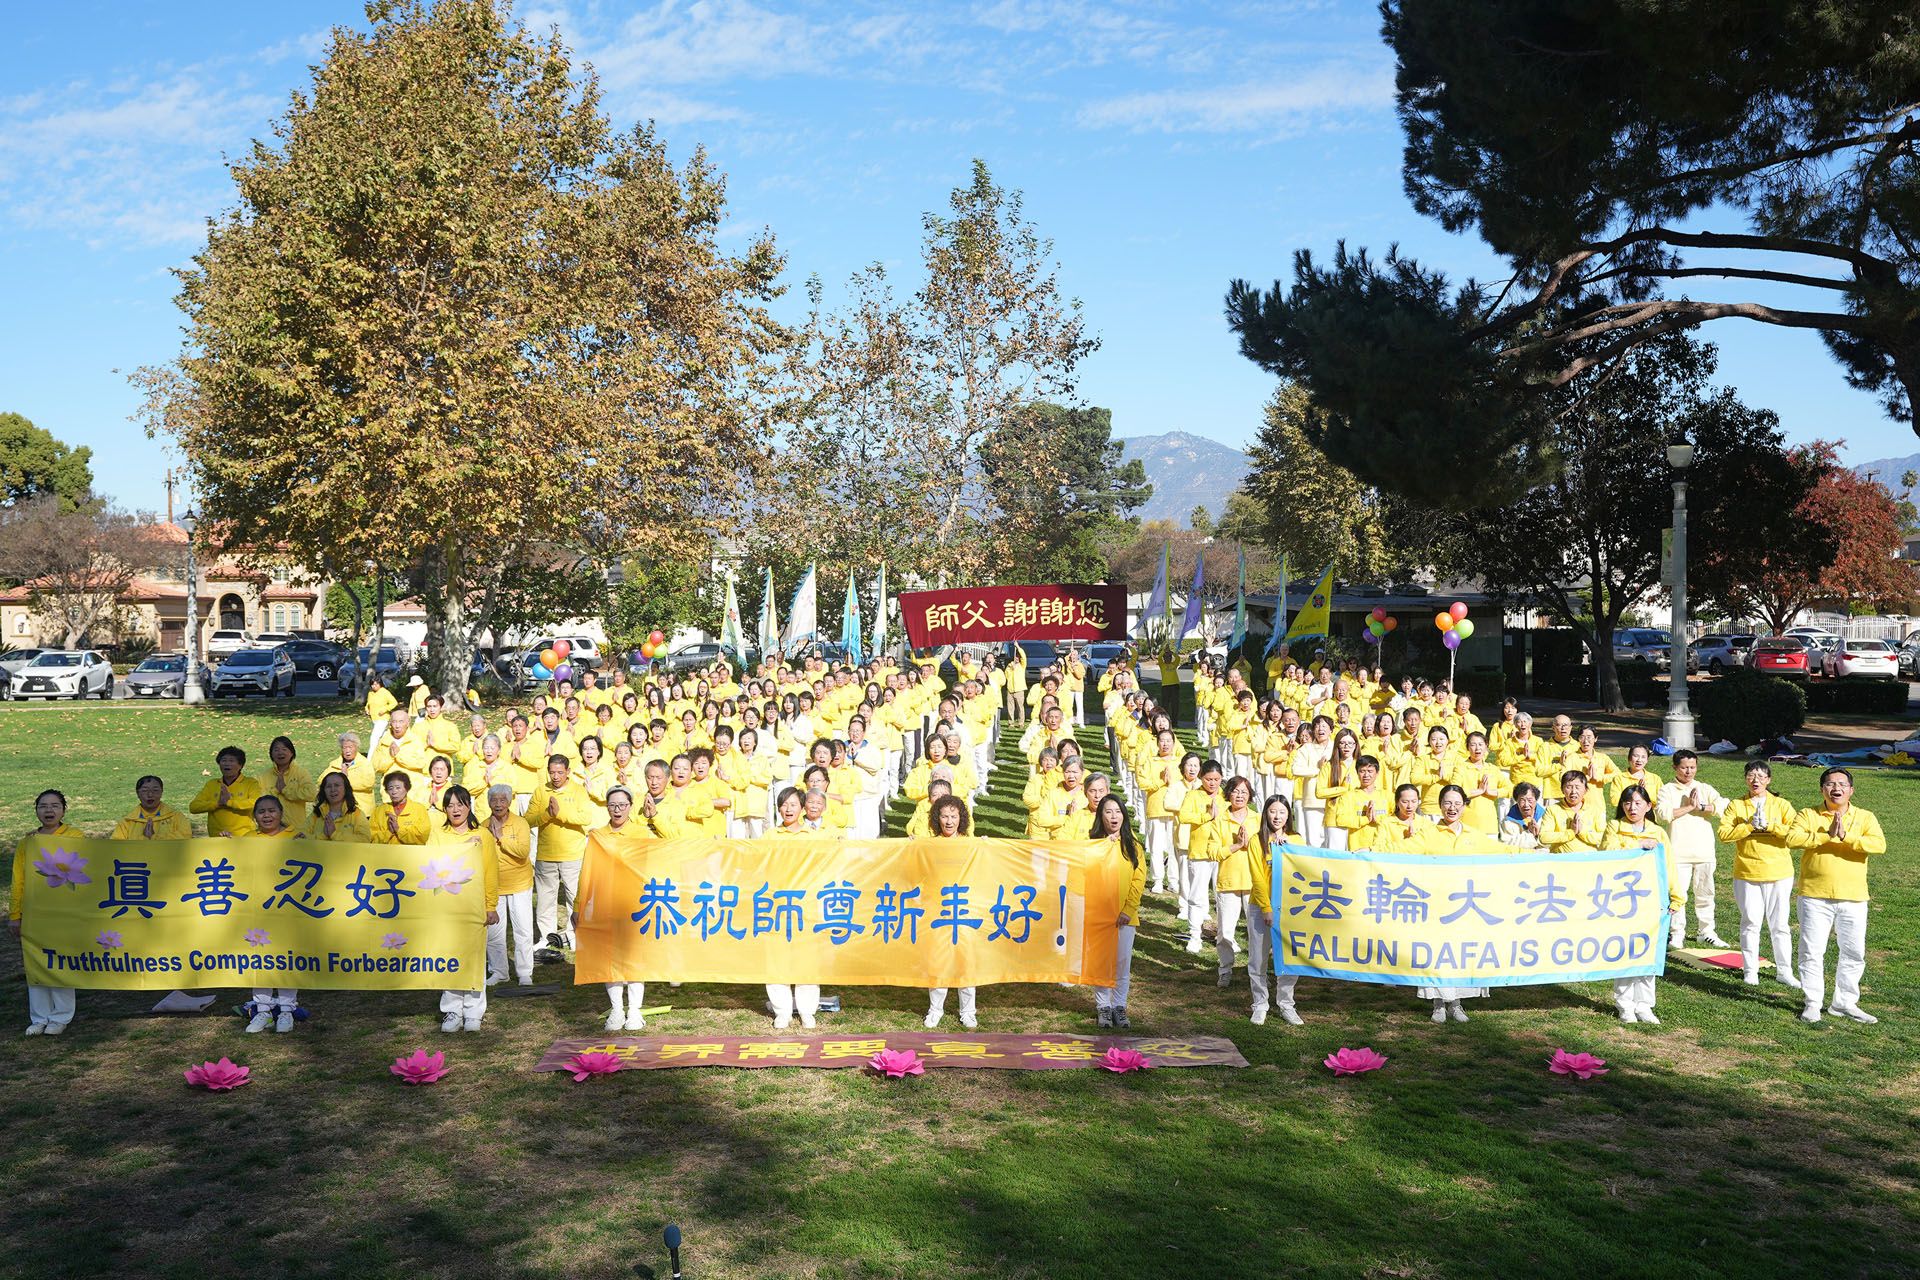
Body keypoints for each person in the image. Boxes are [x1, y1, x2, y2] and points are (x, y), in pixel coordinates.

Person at [1786, 767, 1886, 1024]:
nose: (1836, 788)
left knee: (1854, 952)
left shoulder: (1865, 817)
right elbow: (1792, 838)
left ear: (1851, 790)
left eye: (1841, 784)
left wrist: (1846, 836)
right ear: (1822, 789)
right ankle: (1813, 1003)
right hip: (1814, 896)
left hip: (1853, 897)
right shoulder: (1808, 814)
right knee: (1811, 951)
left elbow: (1878, 845)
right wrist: (1824, 835)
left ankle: (1844, 1002)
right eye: (1830, 784)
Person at [1716, 761, 1800, 990]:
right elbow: (1724, 834)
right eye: (1751, 776)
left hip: (1778, 872)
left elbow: (1794, 834)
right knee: (1751, 922)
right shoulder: (1736, 806)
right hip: (1747, 872)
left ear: (1769, 780)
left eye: (1761, 777)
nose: (1756, 781)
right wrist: (1749, 827)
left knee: (1780, 925)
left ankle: (1785, 971)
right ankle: (1750, 970)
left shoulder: (1781, 805)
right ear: (1745, 778)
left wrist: (1772, 827)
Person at [429, 785, 501, 1032]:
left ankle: (473, 1012)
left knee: (474, 958)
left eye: (460, 804)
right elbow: (432, 865)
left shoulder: (483, 835)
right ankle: (451, 1010)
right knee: (449, 956)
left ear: (469, 806)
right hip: (447, 907)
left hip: (474, 907)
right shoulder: (438, 834)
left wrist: (490, 905)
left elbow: (491, 872)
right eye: (450, 805)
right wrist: (463, 849)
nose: (456, 809)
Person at [13, 790, 84, 1034]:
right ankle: (39, 1017)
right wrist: (15, 915)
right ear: (36, 810)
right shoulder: (27, 842)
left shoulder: (76, 836)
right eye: (43, 806)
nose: (49, 810)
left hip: (65, 912)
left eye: (55, 805)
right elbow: (18, 880)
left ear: (64, 810)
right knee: (36, 963)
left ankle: (61, 1017)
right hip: (35, 912)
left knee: (61, 961)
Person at [1604, 784, 1676, 1024]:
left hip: (1650, 900)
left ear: (1648, 806)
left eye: (1637, 803)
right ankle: (1624, 1005)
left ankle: (1644, 1005)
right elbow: (1606, 851)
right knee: (1624, 951)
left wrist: (1676, 897)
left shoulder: (1658, 832)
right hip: (1620, 900)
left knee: (1647, 951)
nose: (1632, 807)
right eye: (1627, 803)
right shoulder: (1615, 827)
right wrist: (1636, 845)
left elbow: (1669, 865)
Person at [237, 796, 306, 1032]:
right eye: (261, 812)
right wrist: (227, 845)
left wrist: (306, 846)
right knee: (260, 959)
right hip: (258, 911)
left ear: (280, 813)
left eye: (271, 811)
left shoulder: (296, 836)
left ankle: (287, 1010)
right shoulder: (248, 839)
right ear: (254, 816)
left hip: (288, 909)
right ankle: (263, 1010)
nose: (267, 816)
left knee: (287, 958)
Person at [1654, 750, 1728, 948]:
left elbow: (1724, 807)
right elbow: (1663, 813)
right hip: (1678, 852)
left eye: (1692, 767)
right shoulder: (1667, 789)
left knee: (1706, 893)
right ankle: (1677, 932)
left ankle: (1706, 931)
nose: (1689, 771)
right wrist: (1689, 807)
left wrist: (1701, 806)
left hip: (1704, 851)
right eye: (1684, 767)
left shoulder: (1704, 788)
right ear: (1675, 767)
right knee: (1678, 895)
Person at [527, 754, 594, 951]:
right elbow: (528, 820)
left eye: (559, 772)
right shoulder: (541, 791)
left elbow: (586, 817)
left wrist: (560, 814)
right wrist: (548, 814)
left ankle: (575, 936)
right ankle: (546, 937)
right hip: (546, 854)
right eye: (552, 772)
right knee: (546, 900)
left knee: (575, 898)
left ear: (568, 772)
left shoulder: (579, 791)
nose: (555, 776)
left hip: (573, 854)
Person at [1090, 794, 1145, 1029]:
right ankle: (1103, 1006)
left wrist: (1128, 908)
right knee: (1102, 962)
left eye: (1118, 811)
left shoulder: (1133, 845)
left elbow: (1138, 879)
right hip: (1099, 915)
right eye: (1109, 812)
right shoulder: (1092, 845)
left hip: (1125, 916)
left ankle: (1119, 1006)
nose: (1114, 817)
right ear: (1101, 816)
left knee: (1122, 962)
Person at [924, 794, 978, 1029]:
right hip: (937, 912)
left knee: (966, 962)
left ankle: (968, 1011)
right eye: (944, 816)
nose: (948, 821)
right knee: (938, 961)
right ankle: (935, 1009)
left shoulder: (971, 845)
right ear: (937, 819)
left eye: (953, 817)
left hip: (964, 910)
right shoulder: (929, 846)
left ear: (961, 819)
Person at [1250, 794, 1301, 1025]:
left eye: (1282, 812)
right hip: (1260, 907)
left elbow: (1304, 870)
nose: (1277, 816)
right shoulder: (1256, 841)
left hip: (1290, 909)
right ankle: (1260, 1004)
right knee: (1258, 958)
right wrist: (1266, 907)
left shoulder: (1296, 840)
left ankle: (1287, 1004)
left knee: (1289, 959)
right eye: (1272, 811)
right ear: (1265, 813)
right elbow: (1258, 878)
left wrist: (1290, 850)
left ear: (1289, 814)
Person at [1207, 777, 1259, 991]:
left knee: (1256, 932)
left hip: (1253, 882)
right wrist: (1236, 846)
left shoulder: (1257, 818)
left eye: (1244, 792)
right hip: (1228, 883)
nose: (1240, 796)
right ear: (1228, 794)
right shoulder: (1220, 821)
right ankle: (1225, 969)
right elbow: (1212, 852)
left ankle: (1257, 970)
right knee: (1225, 932)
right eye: (1236, 791)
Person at [485, 784, 537, 985]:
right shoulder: (483, 826)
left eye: (502, 800)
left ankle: (524, 972)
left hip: (520, 884)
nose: (498, 804)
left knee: (523, 930)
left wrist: (500, 837)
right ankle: (499, 971)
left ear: (509, 802)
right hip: (494, 887)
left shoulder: (520, 823)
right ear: (489, 802)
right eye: (494, 800)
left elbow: (523, 852)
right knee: (494, 933)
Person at [1176, 760, 1227, 953]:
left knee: (1223, 896)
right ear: (1201, 778)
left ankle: (1225, 936)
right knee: (1197, 896)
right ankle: (1195, 935)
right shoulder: (1193, 795)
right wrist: (1206, 816)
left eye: (1216, 779)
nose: (1212, 783)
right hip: (1200, 853)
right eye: (1208, 779)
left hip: (1222, 853)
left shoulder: (1225, 796)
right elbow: (1184, 816)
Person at [189, 746, 263, 837]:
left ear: (241, 765)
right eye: (223, 760)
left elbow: (256, 803)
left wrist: (229, 803)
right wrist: (217, 804)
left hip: (243, 837)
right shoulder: (212, 784)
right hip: (217, 838)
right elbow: (193, 807)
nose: (227, 764)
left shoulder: (250, 783)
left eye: (231, 761)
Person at [111, 775, 193, 840]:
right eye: (145, 791)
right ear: (137, 793)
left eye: (155, 790)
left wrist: (155, 838)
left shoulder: (176, 817)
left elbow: (186, 837)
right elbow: (116, 847)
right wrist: (144, 838)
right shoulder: (126, 822)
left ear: (162, 792)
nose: (150, 795)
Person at [307, 770, 372, 842]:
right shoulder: (315, 815)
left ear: (345, 789)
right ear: (324, 791)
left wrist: (334, 835)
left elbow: (365, 839)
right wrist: (323, 836)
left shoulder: (357, 815)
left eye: (337, 785)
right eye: (328, 786)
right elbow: (301, 836)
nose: (333, 789)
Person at [370, 772, 432, 845]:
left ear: (407, 789)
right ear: (386, 791)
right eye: (390, 788)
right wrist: (389, 832)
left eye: (398, 788)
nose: (394, 792)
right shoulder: (379, 811)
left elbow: (421, 838)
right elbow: (371, 839)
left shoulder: (419, 809)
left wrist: (398, 830)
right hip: (385, 854)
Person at [257, 735, 317, 809]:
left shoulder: (301, 773)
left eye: (284, 749)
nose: (280, 752)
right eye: (276, 750)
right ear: (271, 754)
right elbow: (258, 799)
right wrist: (276, 790)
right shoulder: (263, 776)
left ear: (291, 753)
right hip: (271, 820)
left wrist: (285, 790)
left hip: (295, 820)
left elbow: (312, 794)